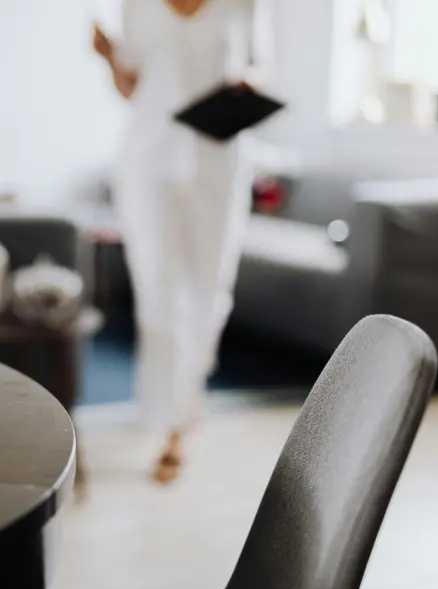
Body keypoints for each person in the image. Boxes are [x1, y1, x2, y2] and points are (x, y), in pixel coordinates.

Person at [93, 0, 273, 483]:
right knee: (158, 289)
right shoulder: (137, 6)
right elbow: (132, 87)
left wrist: (246, 86)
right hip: (149, 161)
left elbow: (259, 64)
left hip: (219, 160)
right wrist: (108, 56)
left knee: (210, 288)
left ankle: (185, 412)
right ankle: (166, 417)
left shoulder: (245, 4)